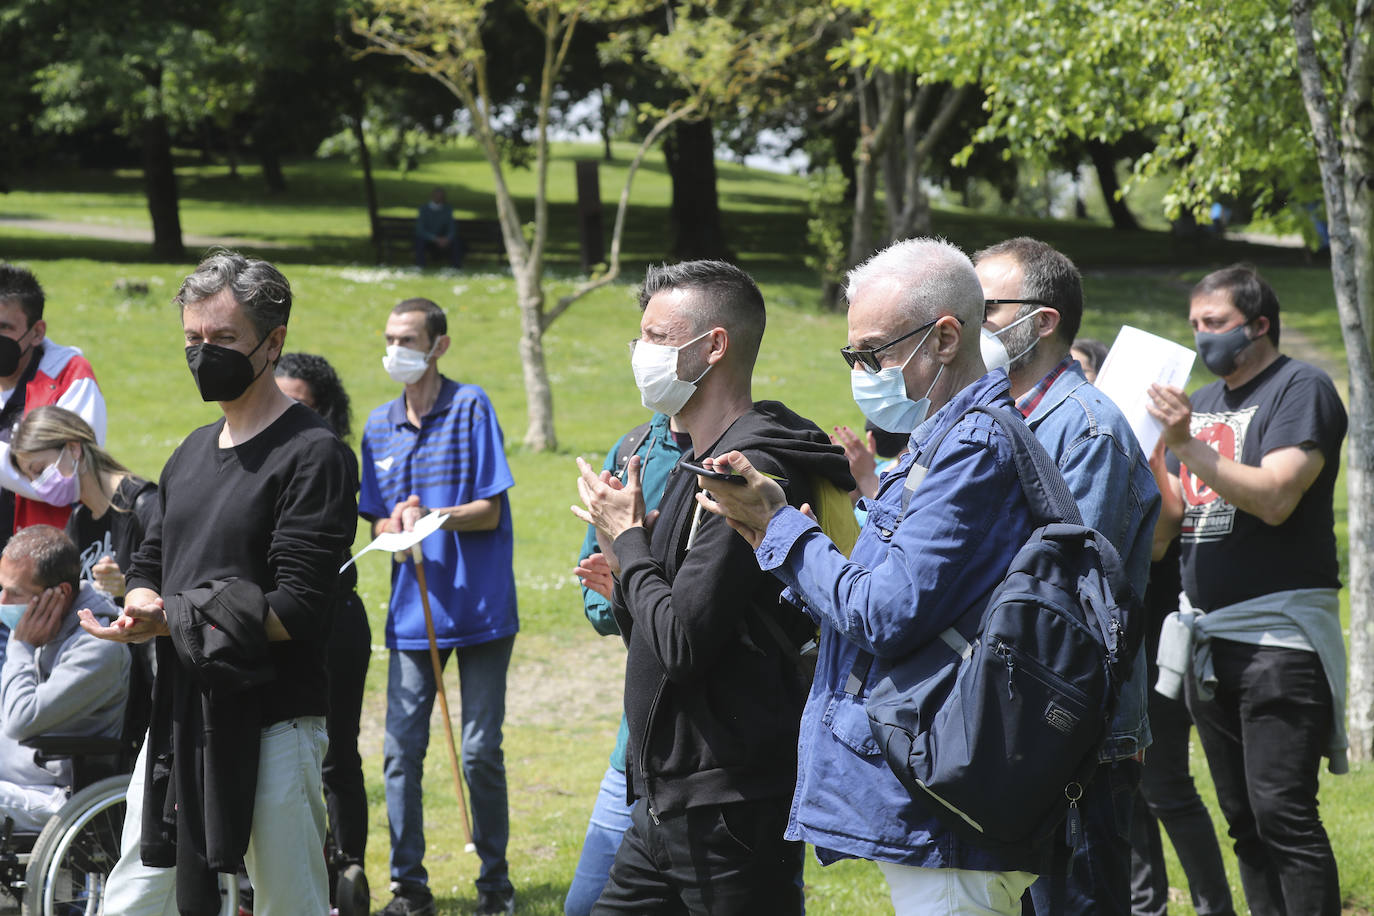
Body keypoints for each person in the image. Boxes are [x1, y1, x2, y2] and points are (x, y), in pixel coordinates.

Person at [693, 238, 1045, 915]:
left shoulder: (972, 449)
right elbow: (891, 593)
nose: (863, 371)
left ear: (945, 339)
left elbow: (885, 614)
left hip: (948, 812)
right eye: (853, 355)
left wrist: (782, 529)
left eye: (875, 352)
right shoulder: (942, 442)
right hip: (938, 794)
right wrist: (781, 536)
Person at [572, 259, 854, 914]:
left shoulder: (744, 472)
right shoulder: (694, 463)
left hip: (729, 807)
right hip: (664, 799)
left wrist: (627, 542)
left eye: (657, 337)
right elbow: (663, 630)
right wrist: (627, 575)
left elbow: (682, 646)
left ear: (714, 346)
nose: (640, 354)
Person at [81, 250, 358, 916]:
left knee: (289, 904)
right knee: (133, 898)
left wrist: (173, 619)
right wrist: (140, 601)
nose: (205, 354)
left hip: (274, 722)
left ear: (273, 342)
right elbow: (152, 555)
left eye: (224, 338)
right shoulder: (191, 451)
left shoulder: (314, 454)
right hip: (182, 718)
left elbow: (298, 606)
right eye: (193, 338)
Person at [1147, 264, 1347, 916]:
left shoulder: (1301, 388)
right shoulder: (1201, 403)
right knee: (1243, 819)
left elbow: (1276, 497)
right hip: (1208, 640)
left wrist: (1184, 445)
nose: (1202, 336)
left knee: (1282, 813)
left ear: (1259, 325)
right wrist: (1148, 459)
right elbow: (1170, 527)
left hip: (1278, 640)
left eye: (1215, 323)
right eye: (1195, 324)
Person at [975, 236, 1159, 916]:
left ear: (1043, 320)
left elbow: (1061, 598)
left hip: (1071, 737)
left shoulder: (1087, 430)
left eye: (985, 308)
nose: (962, 322)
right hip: (1005, 727)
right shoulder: (994, 417)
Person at [359, 298, 517, 916]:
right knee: (401, 752)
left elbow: (490, 511)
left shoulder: (471, 406)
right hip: (412, 614)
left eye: (407, 339)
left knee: (478, 751)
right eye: (389, 338)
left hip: (480, 609)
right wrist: (394, 523)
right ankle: (409, 887)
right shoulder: (378, 425)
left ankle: (495, 885)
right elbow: (376, 520)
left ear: (438, 345)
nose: (395, 350)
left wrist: (433, 516)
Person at [564, 411, 686, 916]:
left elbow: (693, 620)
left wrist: (630, 585)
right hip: (634, 751)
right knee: (584, 906)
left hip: (718, 763)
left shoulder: (739, 454)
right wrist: (626, 594)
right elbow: (596, 596)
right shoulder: (634, 448)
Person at [275, 352, 372, 912]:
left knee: (337, 750)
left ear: (325, 411)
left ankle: (346, 867)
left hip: (334, 621)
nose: (288, 414)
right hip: (278, 624)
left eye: (301, 405)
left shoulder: (330, 458)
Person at [1128, 539, 1235, 916]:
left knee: (1164, 786)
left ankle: (1216, 909)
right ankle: (1144, 908)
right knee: (1124, 785)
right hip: (1121, 633)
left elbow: (1161, 538)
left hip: (1160, 634)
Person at [0, 525, 128, 832]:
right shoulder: (45, 624)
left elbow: (19, 720)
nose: (3, 601)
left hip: (57, 793)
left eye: (15, 593)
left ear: (60, 594)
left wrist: (20, 645)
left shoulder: (99, 646)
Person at [0, 264, 107, 545]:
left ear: (37, 332)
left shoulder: (71, 378)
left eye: (4, 328)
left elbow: (71, 480)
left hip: (43, 555)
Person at [9, 405, 157, 605]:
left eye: (40, 469)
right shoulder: (78, 520)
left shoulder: (145, 505)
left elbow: (182, 592)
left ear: (73, 448)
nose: (37, 485)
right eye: (30, 478)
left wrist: (128, 587)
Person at [414, 188, 465, 269]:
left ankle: (456, 266)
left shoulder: (447, 209)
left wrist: (447, 238)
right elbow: (420, 229)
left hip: (444, 239)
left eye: (441, 197)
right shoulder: (424, 209)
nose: (439, 198)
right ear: (432, 196)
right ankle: (420, 265)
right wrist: (435, 238)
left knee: (456, 241)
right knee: (419, 240)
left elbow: (452, 227)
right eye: (437, 196)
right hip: (429, 239)